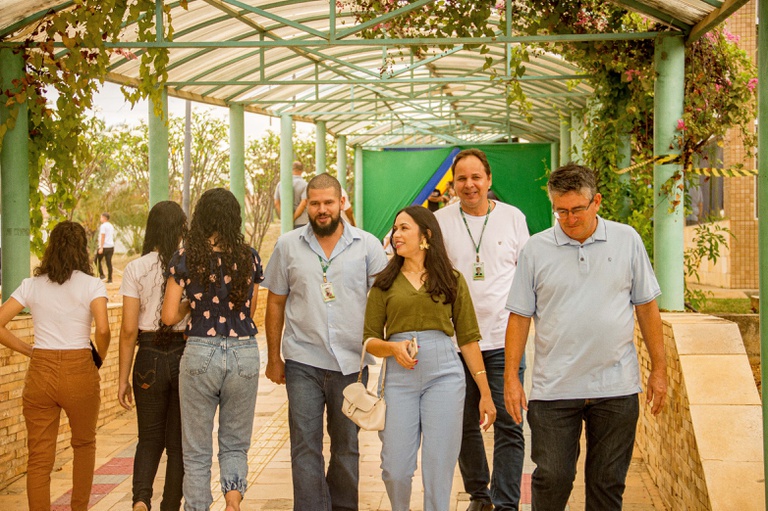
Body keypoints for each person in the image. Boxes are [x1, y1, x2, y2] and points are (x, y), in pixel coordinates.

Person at [503, 163, 668, 511]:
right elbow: (519, 317)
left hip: (616, 387)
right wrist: (511, 379)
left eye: (577, 209)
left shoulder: (627, 240)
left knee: (607, 485)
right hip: (554, 388)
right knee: (552, 479)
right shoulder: (535, 249)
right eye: (561, 211)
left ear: (597, 202)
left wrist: (660, 369)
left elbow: (646, 307)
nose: (570, 219)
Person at [263, 173, 387, 511]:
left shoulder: (367, 245)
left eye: (328, 202)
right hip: (303, 361)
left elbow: (385, 300)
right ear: (307, 205)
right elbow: (275, 302)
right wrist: (273, 358)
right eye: (315, 203)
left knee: (347, 446)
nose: (322, 210)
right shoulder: (288, 245)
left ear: (341, 202)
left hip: (351, 364)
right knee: (305, 445)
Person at [363, 206, 496, 511]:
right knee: (395, 469)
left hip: (445, 375)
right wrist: (393, 349)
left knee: (439, 469)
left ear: (426, 235)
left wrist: (485, 393)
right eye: (395, 229)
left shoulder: (452, 279)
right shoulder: (384, 283)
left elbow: (468, 339)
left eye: (404, 228)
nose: (396, 235)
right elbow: (369, 340)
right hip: (398, 379)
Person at [435, 148, 530, 511]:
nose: (469, 184)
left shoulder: (513, 218)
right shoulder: (440, 222)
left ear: (489, 180)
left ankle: (506, 503)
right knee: (461, 424)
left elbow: (526, 273)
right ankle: (480, 494)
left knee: (509, 422)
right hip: (455, 342)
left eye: (476, 177)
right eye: (461, 178)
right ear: (453, 184)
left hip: (506, 339)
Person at [161, 188, 263, 511]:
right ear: (234, 218)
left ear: (201, 218)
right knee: (235, 444)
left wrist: (192, 305)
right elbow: (250, 309)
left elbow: (168, 316)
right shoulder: (249, 257)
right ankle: (232, 502)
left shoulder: (185, 257)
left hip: (200, 350)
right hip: (243, 351)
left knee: (196, 452)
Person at [0, 221, 110, 511]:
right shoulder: (92, 285)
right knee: (83, 445)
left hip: (41, 371)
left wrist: (29, 350)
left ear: (51, 248)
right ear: (82, 250)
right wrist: (99, 357)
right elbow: (103, 328)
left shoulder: (32, 285)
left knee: (39, 458)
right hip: (79, 369)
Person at [118, 201, 189, 511]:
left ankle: (140, 500)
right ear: (181, 229)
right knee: (177, 445)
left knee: (148, 438)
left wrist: (123, 379)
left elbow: (128, 330)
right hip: (183, 353)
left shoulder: (135, 268)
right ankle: (170, 505)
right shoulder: (189, 265)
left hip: (147, 355)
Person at [274, 161, 309, 228]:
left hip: (286, 223)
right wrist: (293, 218)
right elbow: (303, 203)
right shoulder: (305, 185)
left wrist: (284, 218)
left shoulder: (280, 184)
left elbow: (276, 202)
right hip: (302, 222)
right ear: (301, 171)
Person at [96, 212, 116, 283]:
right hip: (111, 247)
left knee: (96, 260)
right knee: (109, 262)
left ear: (104, 218)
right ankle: (110, 279)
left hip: (104, 246)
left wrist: (101, 247)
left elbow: (103, 236)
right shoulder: (111, 226)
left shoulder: (103, 226)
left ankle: (102, 275)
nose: (100, 219)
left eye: (101, 217)